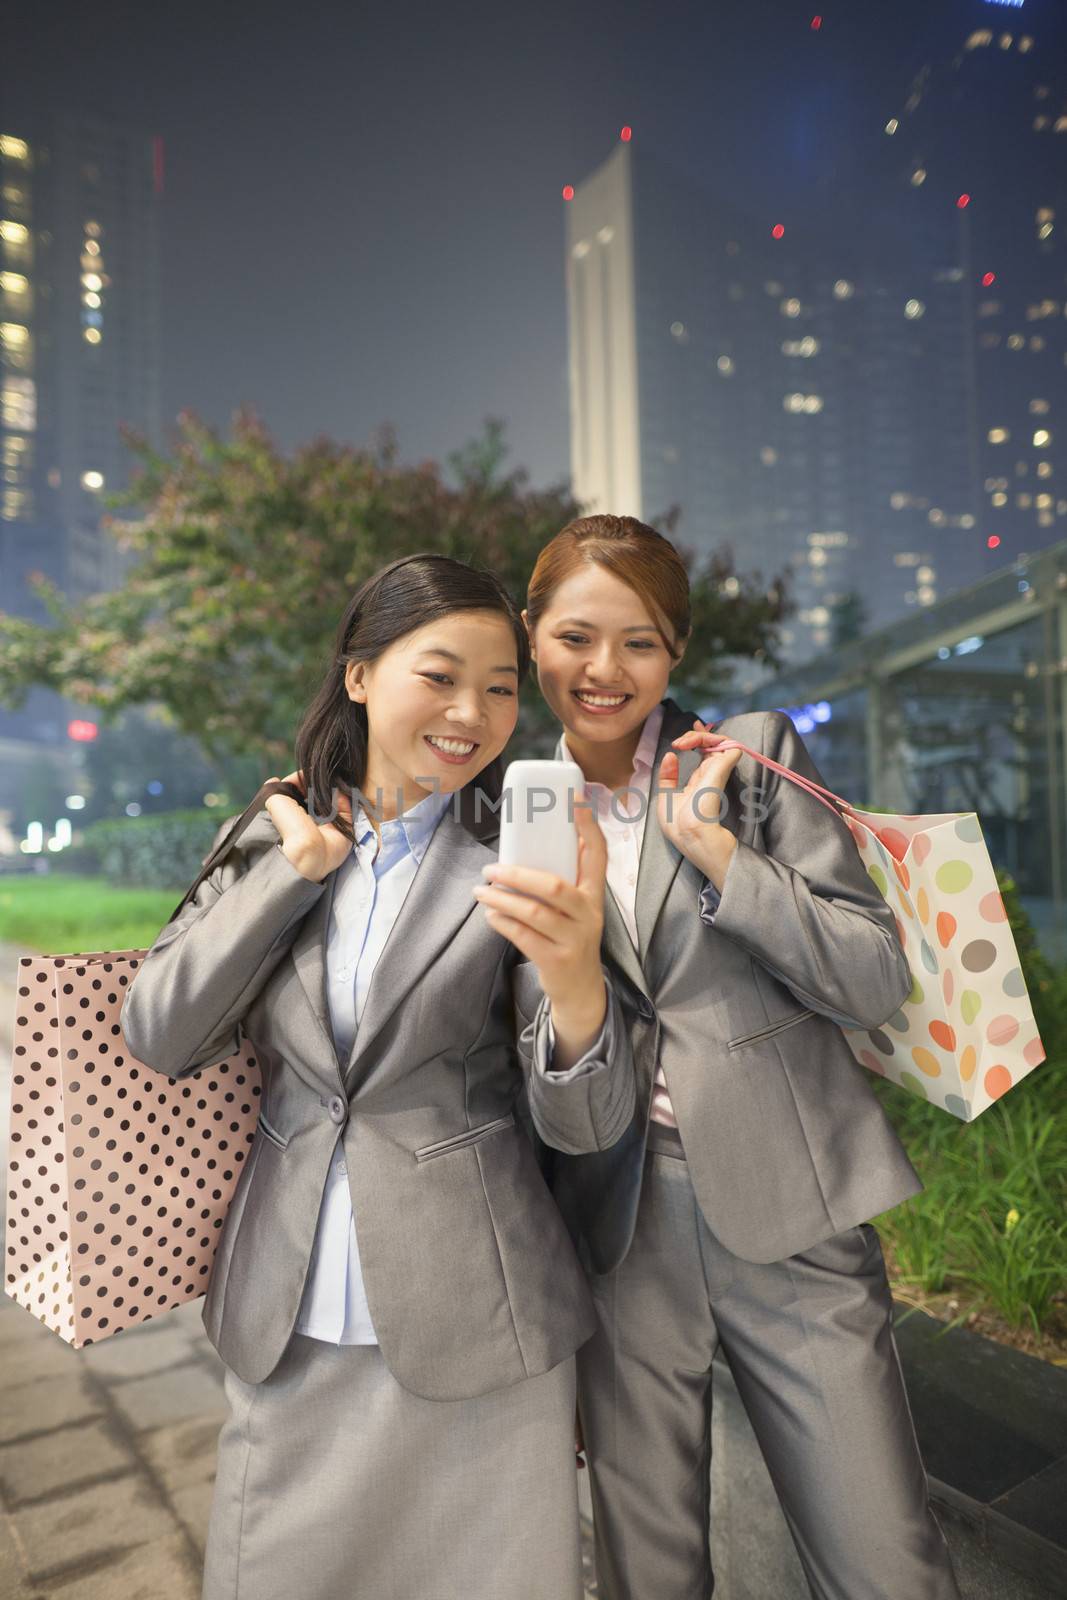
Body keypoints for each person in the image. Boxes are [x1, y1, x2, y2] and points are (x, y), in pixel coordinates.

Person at [119, 552, 636, 1600]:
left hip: (482, 1320)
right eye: (438, 675)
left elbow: (587, 1123)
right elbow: (160, 1032)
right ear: (357, 673)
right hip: (290, 1305)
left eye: (499, 687)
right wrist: (286, 880)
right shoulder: (264, 838)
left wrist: (575, 980)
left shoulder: (521, 860)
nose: (471, 712)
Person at [478, 515, 961, 1599]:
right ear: (531, 634)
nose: (604, 671)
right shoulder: (506, 817)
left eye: (639, 642)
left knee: (885, 1558)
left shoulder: (747, 760)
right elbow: (535, 1082)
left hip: (789, 1207)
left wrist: (720, 856)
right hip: (618, 1231)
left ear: (676, 652)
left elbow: (868, 973)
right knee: (648, 1572)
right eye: (575, 637)